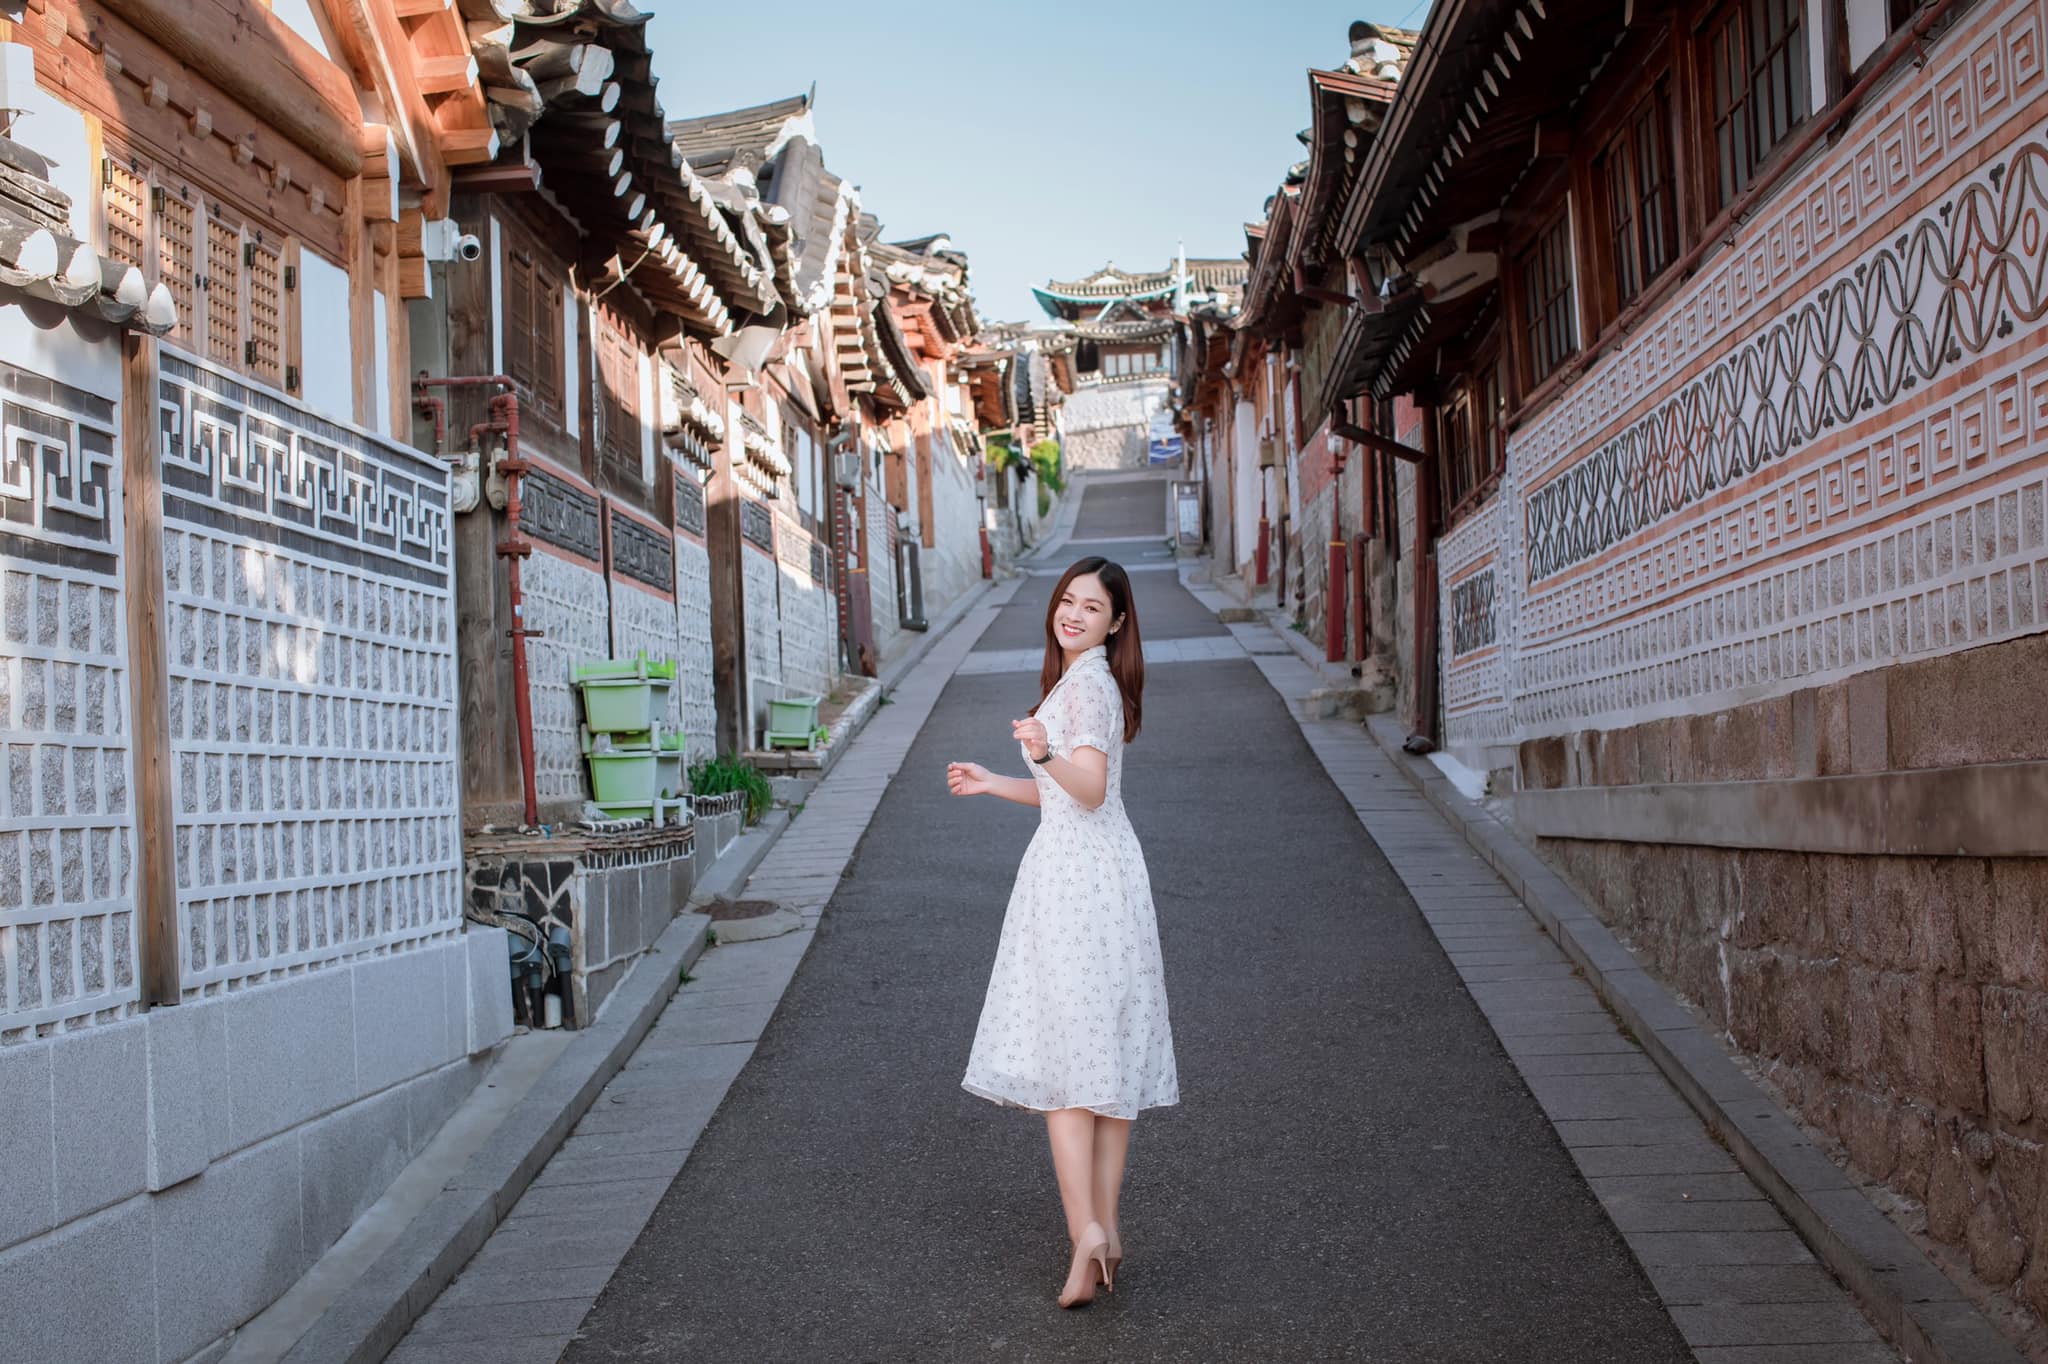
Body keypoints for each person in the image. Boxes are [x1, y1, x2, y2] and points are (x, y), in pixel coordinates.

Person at [947, 556, 1179, 1309]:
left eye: (1092, 606)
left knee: (1063, 1071)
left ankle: (1083, 1228)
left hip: (1074, 886)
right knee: (1105, 1072)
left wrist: (1043, 751)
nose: (1073, 614)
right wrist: (998, 780)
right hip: (1104, 875)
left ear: (1117, 621)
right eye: (1067, 601)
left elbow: (1089, 786)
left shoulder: (1086, 685)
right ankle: (1105, 1231)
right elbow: (1064, 795)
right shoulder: (1091, 681)